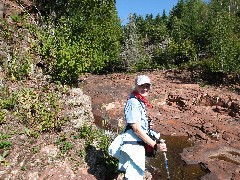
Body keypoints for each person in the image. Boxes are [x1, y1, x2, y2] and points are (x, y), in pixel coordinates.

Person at [118, 75, 167, 180]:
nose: (145, 89)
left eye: (147, 86)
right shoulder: (134, 102)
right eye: (141, 86)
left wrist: (146, 125)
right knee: (134, 176)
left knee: (134, 174)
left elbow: (137, 125)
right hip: (133, 144)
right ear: (136, 86)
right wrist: (155, 145)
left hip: (135, 142)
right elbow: (136, 129)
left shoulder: (139, 101)